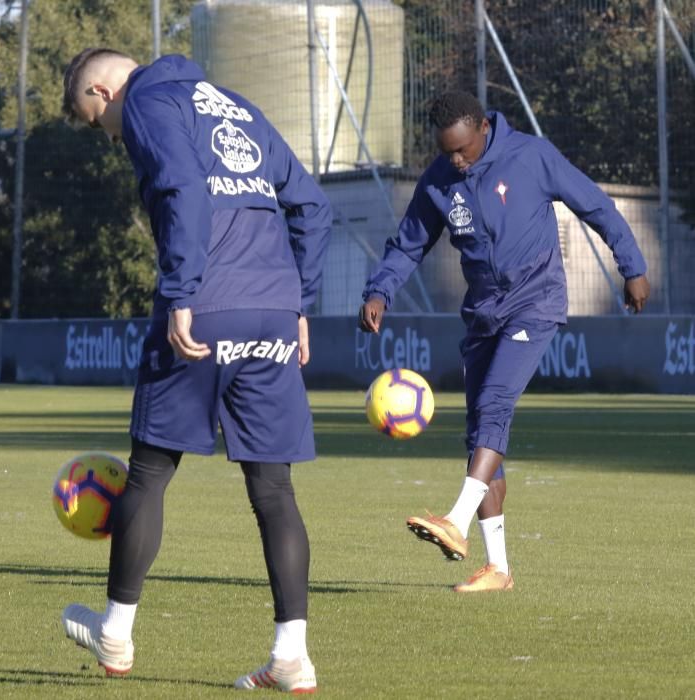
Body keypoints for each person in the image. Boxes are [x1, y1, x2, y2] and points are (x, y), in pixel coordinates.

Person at [60, 48, 332, 692]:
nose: (112, 135)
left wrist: (181, 292)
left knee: (150, 473)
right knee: (274, 490)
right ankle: (291, 657)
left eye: (97, 121)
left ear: (103, 92)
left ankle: (115, 634)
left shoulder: (149, 102)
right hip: (271, 311)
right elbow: (312, 206)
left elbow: (183, 188)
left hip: (205, 302)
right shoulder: (234, 104)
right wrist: (299, 303)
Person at [358, 90, 650, 593]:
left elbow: (595, 205)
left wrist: (634, 267)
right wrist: (379, 289)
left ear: (482, 129)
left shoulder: (531, 156)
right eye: (447, 152)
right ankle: (498, 568)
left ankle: (455, 518)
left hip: (535, 303)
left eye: (463, 149)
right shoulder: (439, 181)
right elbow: (408, 244)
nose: (456, 160)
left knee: (495, 405)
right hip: (483, 316)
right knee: (480, 438)